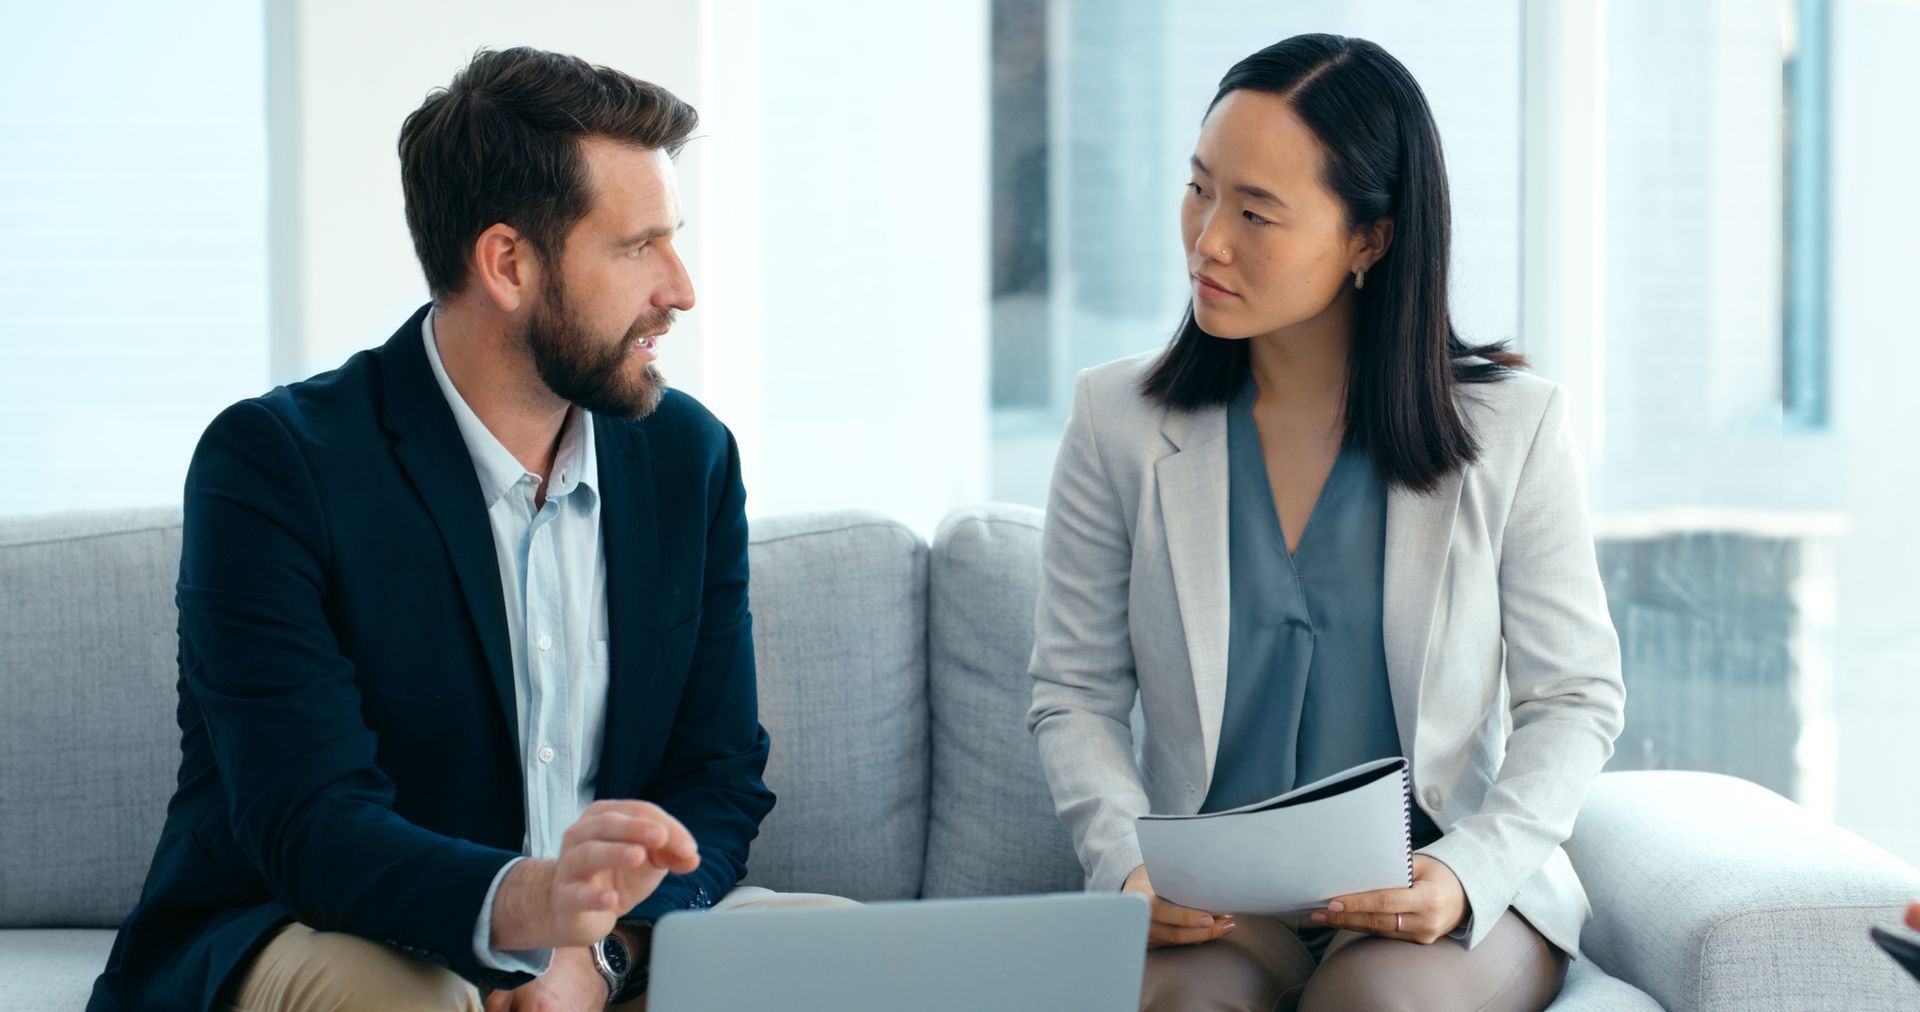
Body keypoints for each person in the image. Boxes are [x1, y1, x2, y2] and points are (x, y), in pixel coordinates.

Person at [89, 47, 847, 1012]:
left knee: (854, 953)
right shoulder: (275, 466)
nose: (681, 288)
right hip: (323, 925)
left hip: (600, 945)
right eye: (636, 247)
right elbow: (311, 823)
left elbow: (718, 775)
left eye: (674, 240)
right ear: (508, 264)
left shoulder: (686, 458)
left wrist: (595, 955)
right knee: (413, 1001)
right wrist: (521, 911)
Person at [1027, 34, 1625, 1011]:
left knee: (1377, 1005)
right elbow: (1074, 691)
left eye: (1257, 211)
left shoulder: (1514, 431)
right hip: (1220, 896)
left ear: (1370, 240)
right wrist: (1128, 866)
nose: (1208, 238)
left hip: (1432, 884)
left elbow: (1577, 698)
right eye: (1199, 188)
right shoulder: (1117, 421)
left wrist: (1472, 869)